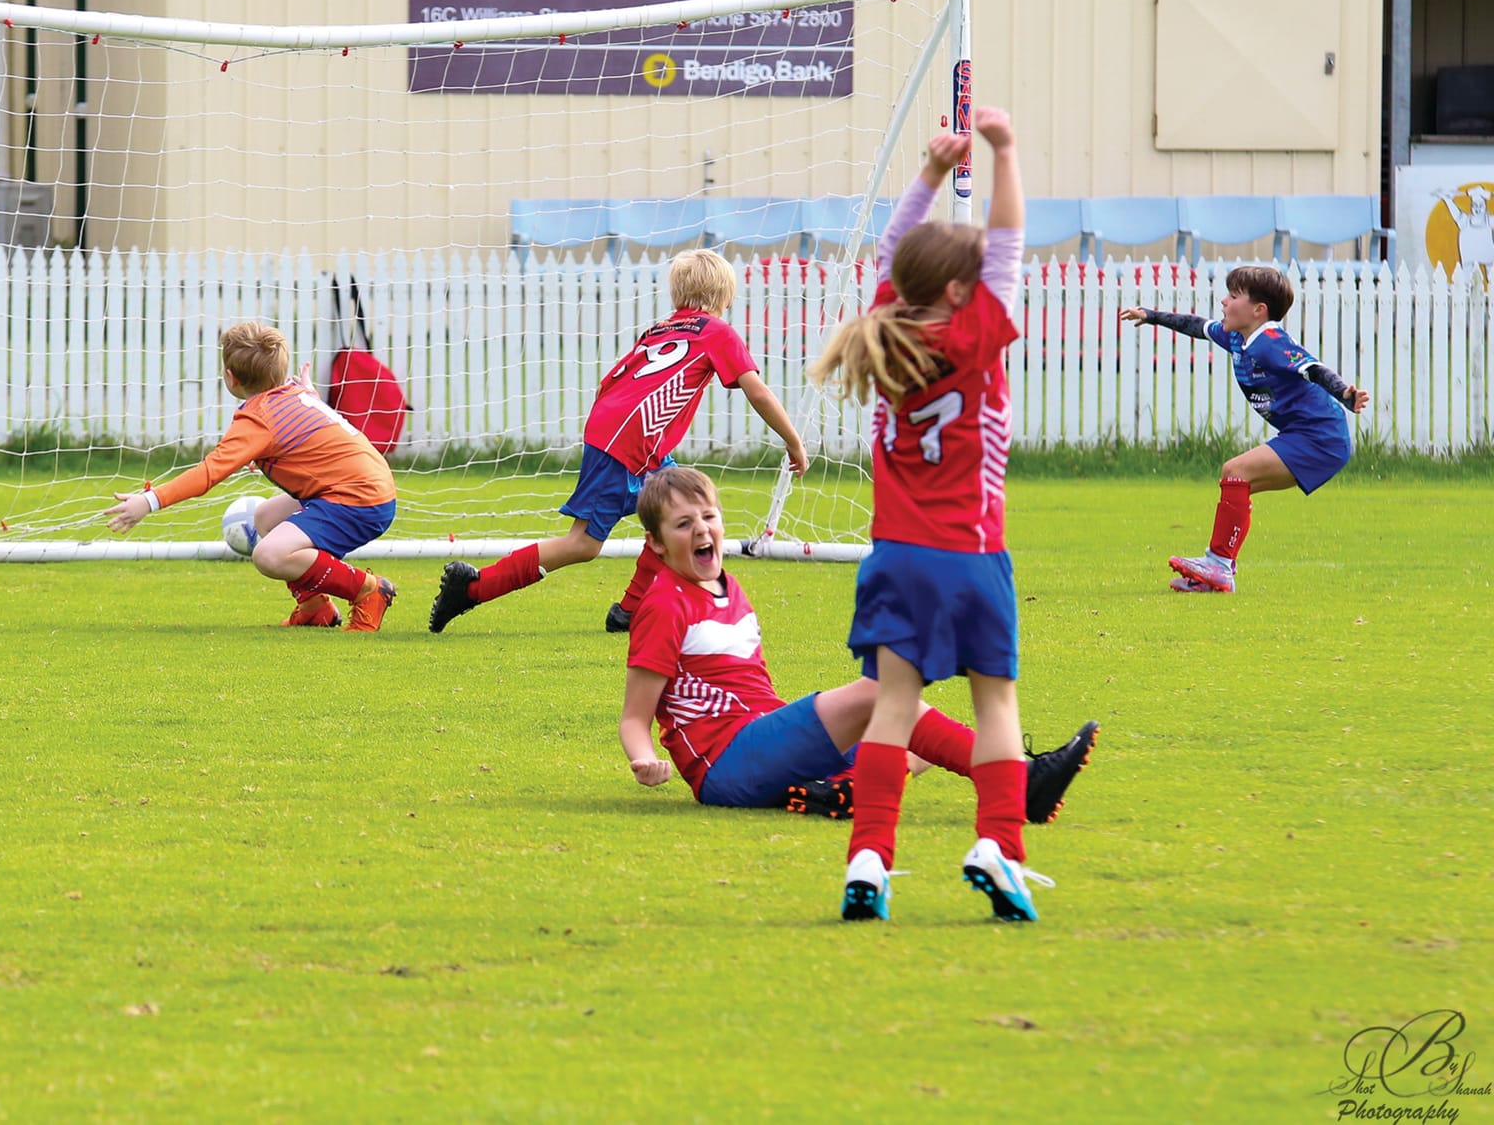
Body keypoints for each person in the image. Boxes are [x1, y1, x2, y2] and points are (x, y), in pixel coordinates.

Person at [809, 107, 1049, 923]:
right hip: (970, 554)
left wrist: (930, 174)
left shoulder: (885, 328)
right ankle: (1000, 847)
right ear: (957, 288)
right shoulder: (977, 333)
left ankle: (869, 859)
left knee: (894, 707)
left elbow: (890, 255)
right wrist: (1004, 152)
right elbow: (1010, 238)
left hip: (894, 557)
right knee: (996, 705)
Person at [618, 467, 1097, 826]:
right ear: (656, 544)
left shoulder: (728, 584)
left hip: (763, 738)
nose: (701, 530)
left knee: (920, 738)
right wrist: (644, 759)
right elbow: (635, 717)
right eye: (683, 525)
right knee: (880, 694)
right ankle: (1017, 782)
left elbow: (749, 688)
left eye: (708, 516)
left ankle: (836, 791)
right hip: (727, 764)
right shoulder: (664, 603)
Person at [428, 247, 808, 635]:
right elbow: (756, 390)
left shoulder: (660, 330)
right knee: (584, 544)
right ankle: (472, 588)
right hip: (629, 440)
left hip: (619, 431)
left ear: (677, 295)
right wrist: (793, 441)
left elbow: (612, 380)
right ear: (725, 297)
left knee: (683, 507)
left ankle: (632, 611)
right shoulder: (717, 331)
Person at [104, 322, 399, 631]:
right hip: (371, 486)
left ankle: (368, 589)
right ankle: (315, 608)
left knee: (269, 555)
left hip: (359, 501)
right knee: (266, 517)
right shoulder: (295, 393)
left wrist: (148, 501)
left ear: (230, 377)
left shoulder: (259, 419)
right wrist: (308, 392)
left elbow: (208, 473)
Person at [1119, 267, 1369, 593]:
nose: (1224, 301)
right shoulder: (1238, 336)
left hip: (1320, 438)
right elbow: (1197, 326)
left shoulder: (1270, 342)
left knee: (1236, 471)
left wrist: (1345, 395)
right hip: (1306, 436)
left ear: (1258, 310)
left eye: (1233, 296)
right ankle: (1217, 571)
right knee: (1236, 478)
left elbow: (1313, 368)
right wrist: (1151, 316)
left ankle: (1219, 565)